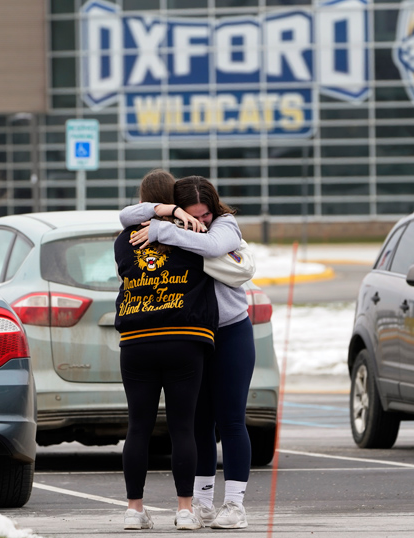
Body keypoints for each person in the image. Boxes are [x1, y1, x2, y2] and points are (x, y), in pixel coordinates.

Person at [120, 175, 255, 529]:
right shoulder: (176, 221)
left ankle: (235, 506)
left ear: (215, 208)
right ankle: (203, 503)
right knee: (198, 423)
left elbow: (212, 246)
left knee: (231, 418)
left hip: (230, 332)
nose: (201, 220)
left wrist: (162, 231)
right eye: (193, 213)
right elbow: (124, 216)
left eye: (205, 213)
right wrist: (168, 213)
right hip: (194, 337)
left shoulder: (225, 225)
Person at [114, 169, 219, 531]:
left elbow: (126, 249)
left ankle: (133, 508)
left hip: (137, 340)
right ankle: (186, 509)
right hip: (184, 338)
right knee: (182, 427)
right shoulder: (192, 232)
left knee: (138, 427)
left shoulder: (124, 240)